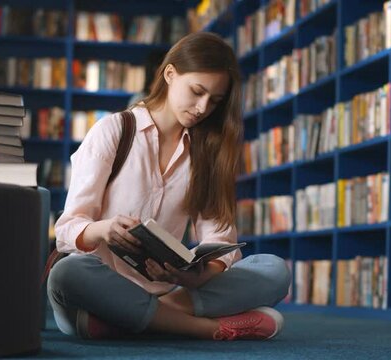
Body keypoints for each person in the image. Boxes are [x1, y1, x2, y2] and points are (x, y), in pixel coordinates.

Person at [48, 32, 291, 341]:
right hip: (101, 282)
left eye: (215, 101)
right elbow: (68, 231)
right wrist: (104, 229)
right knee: (67, 274)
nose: (203, 108)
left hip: (168, 290)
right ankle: (207, 329)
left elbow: (219, 238)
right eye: (197, 91)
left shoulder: (207, 151)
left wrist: (197, 274)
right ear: (170, 74)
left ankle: (137, 319)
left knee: (274, 270)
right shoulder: (115, 130)